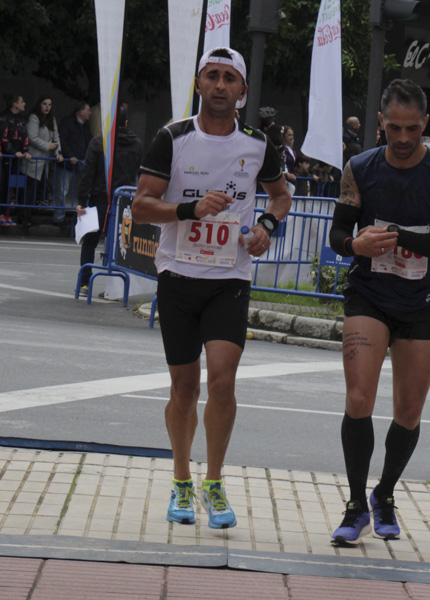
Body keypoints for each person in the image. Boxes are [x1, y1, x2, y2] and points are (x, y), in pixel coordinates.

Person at [131, 47, 291, 530]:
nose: (220, 85)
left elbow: (281, 196)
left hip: (230, 279)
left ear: (242, 92)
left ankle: (214, 481)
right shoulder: (172, 138)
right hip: (178, 274)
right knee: (184, 386)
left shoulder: (260, 144)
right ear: (199, 83)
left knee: (222, 380)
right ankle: (182, 479)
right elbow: (141, 205)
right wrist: (188, 210)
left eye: (229, 79)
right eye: (212, 76)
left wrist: (265, 224)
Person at [326, 78, 430, 546]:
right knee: (359, 399)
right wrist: (355, 245)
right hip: (369, 295)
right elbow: (337, 234)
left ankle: (384, 494)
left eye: (412, 129)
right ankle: (354, 504)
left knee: (408, 409)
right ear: (381, 123)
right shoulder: (359, 168)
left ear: (425, 125)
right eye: (394, 129)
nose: (403, 139)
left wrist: (396, 237)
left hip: (420, 303)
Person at [77, 107, 142, 290]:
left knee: (90, 241)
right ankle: (117, 286)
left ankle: (84, 282)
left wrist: (81, 200)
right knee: (122, 243)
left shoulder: (98, 143)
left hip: (101, 198)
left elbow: (87, 174)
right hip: (124, 200)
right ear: (126, 123)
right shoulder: (136, 144)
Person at [25, 97, 65, 223]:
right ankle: (25, 216)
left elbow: (56, 137)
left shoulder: (51, 119)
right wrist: (48, 146)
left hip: (44, 161)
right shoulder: (33, 118)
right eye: (44, 104)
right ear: (39, 105)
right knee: (29, 190)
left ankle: (32, 215)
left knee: (39, 189)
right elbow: (32, 137)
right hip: (33, 159)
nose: (47, 107)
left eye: (49, 104)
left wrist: (58, 152)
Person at [0, 95, 32, 225]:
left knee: (14, 184)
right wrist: (12, 151)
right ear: (15, 104)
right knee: (4, 183)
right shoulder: (4, 117)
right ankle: (0, 213)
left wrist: (25, 151)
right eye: (22, 102)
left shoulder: (21, 119)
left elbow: (25, 136)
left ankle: (8, 213)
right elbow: (3, 137)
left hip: (18, 158)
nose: (24, 104)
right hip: (7, 156)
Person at [59, 101, 93, 218]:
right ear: (81, 112)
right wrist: (69, 156)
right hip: (67, 163)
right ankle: (59, 218)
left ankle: (83, 216)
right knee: (62, 191)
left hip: (82, 161)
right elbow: (62, 140)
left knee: (85, 189)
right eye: (88, 110)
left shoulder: (86, 125)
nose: (90, 113)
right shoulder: (67, 122)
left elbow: (89, 141)